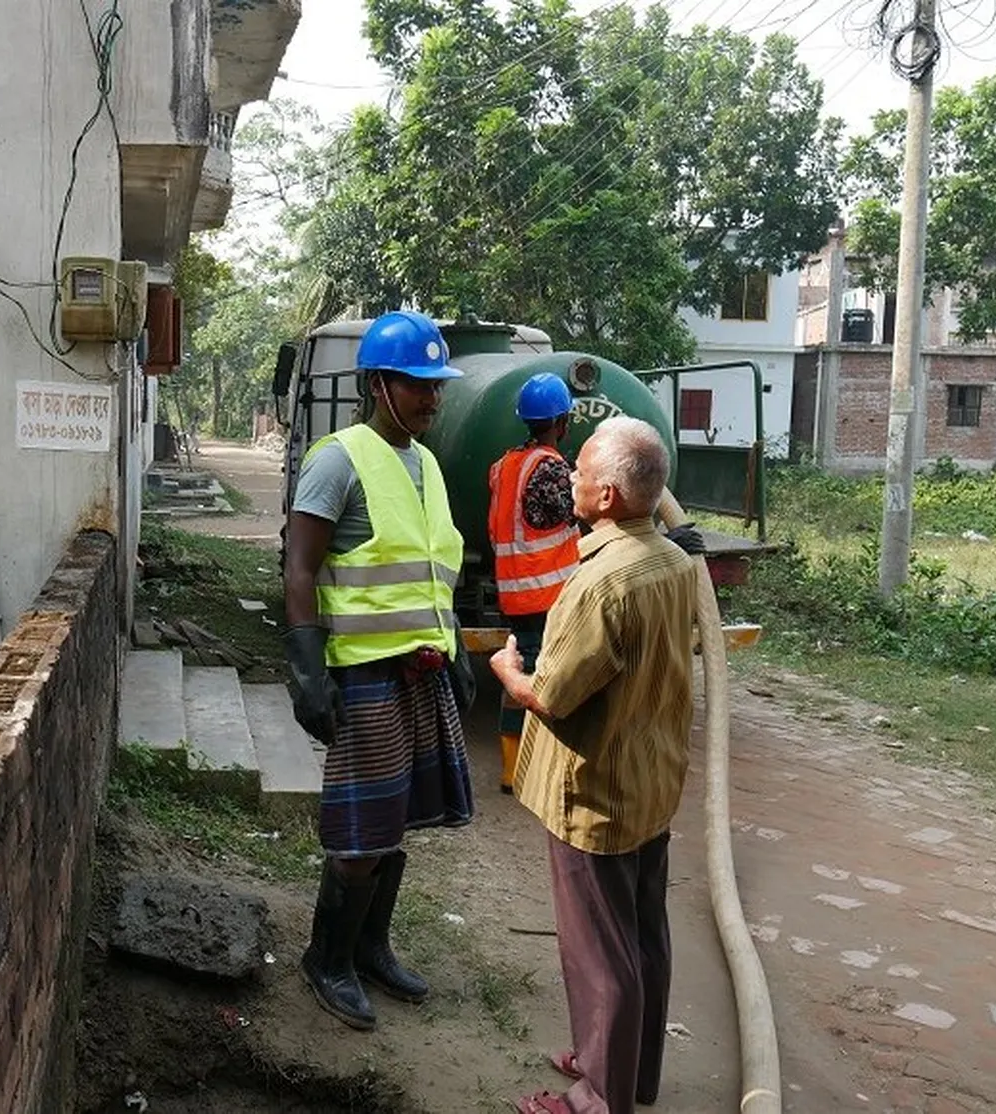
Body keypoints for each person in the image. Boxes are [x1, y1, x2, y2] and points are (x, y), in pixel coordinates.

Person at [490, 415, 699, 1113]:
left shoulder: (601, 581)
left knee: (599, 951)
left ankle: (595, 1098)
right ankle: (627, 1069)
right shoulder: (672, 560)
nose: (568, 477)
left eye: (579, 470)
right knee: (642, 937)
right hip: (650, 780)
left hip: (597, 792)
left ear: (606, 495)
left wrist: (507, 672)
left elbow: (550, 696)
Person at [283, 309, 478, 1032]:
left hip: (421, 670)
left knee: (394, 822)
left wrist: (453, 643)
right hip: (363, 672)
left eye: (438, 385)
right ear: (377, 383)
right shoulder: (338, 459)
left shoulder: (426, 463)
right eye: (417, 383)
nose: (432, 397)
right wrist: (307, 667)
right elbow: (300, 569)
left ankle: (370, 947)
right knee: (361, 832)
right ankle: (325, 959)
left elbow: (434, 569)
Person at [486, 372, 581, 794]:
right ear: (562, 422)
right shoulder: (552, 470)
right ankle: (542, 769)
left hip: (515, 593)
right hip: (550, 595)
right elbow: (583, 513)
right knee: (552, 681)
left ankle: (511, 769)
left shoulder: (505, 466)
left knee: (519, 674)